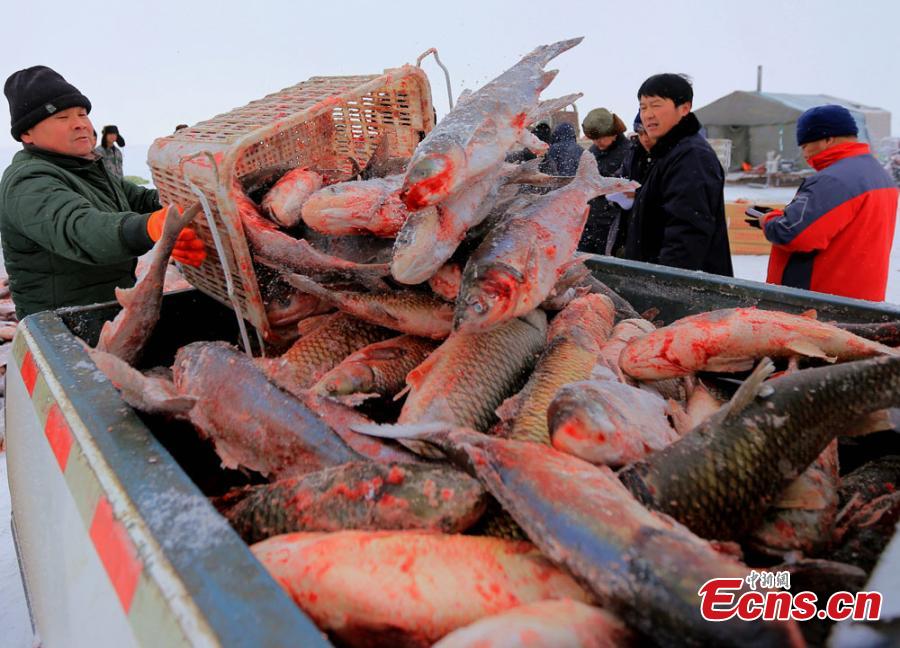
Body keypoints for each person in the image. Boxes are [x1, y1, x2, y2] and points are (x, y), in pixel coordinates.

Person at [0, 66, 206, 319]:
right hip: (62, 323)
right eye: (62, 118)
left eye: (82, 114)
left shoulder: (89, 170)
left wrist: (192, 199)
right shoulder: (27, 181)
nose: (80, 125)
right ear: (26, 133)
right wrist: (149, 227)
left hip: (109, 308)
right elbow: (81, 228)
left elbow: (143, 200)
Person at [749, 105, 898, 301]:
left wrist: (768, 220)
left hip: (818, 302)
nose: (804, 153)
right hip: (861, 298)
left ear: (828, 139)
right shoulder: (878, 174)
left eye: (805, 146)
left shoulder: (833, 180)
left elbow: (794, 235)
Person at [625, 73, 733, 276]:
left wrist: (661, 286)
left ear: (684, 108)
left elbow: (686, 235)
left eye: (656, 105)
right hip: (653, 277)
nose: (647, 115)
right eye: (643, 107)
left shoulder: (692, 156)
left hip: (682, 291)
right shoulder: (666, 153)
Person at [579, 108, 631, 255]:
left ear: (613, 133)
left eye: (600, 138)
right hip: (590, 222)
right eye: (593, 139)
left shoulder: (628, 152)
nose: (597, 142)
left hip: (613, 225)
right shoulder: (592, 151)